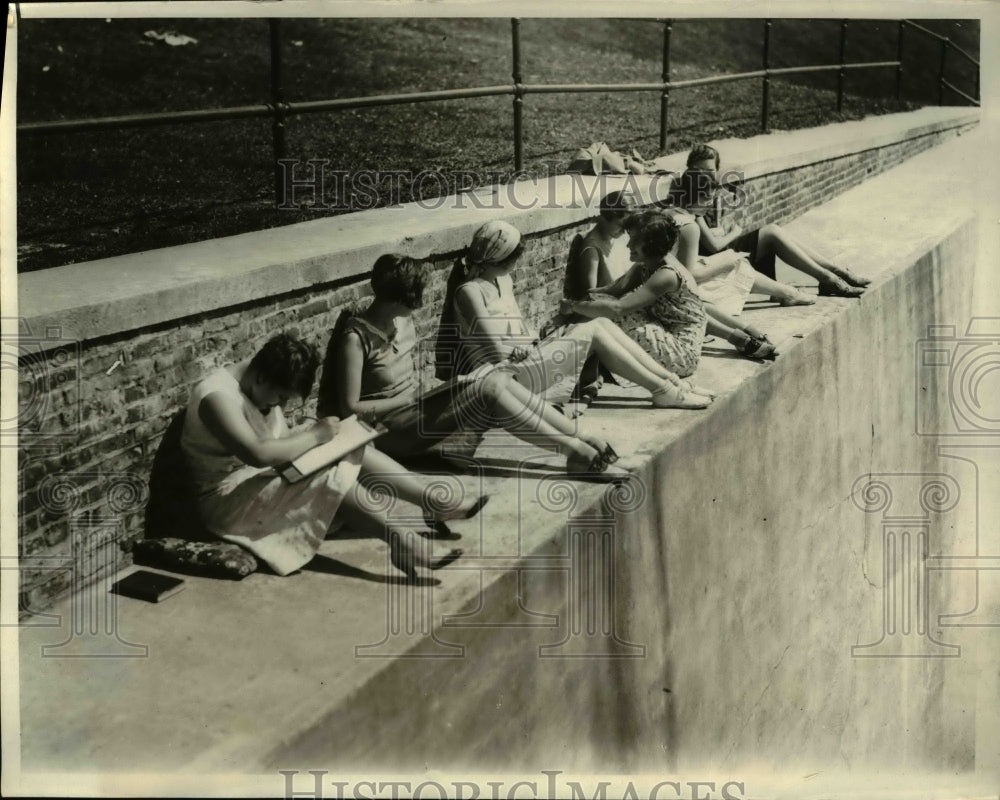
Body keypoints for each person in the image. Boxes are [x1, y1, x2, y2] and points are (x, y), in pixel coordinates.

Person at [180, 333, 477, 580]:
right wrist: (315, 436)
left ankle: (432, 501)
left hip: (264, 479)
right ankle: (402, 540)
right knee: (328, 475)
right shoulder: (216, 397)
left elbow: (276, 443)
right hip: (226, 501)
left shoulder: (258, 386)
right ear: (259, 378)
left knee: (352, 446)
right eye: (281, 397)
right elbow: (257, 453)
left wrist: (324, 434)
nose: (280, 404)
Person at [319, 254, 621, 475]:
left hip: (413, 411)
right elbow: (350, 410)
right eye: (416, 297)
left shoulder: (400, 320)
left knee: (498, 376)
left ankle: (579, 438)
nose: (421, 304)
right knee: (489, 389)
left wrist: (425, 395)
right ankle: (573, 452)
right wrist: (413, 397)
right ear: (400, 298)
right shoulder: (355, 340)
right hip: (386, 431)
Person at [442, 220, 714, 414]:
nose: (517, 262)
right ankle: (663, 391)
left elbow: (515, 331)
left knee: (601, 322)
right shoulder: (469, 292)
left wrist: (543, 335)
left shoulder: (504, 281)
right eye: (514, 256)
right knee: (593, 330)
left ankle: (671, 383)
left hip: (525, 359)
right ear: (500, 258)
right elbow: (494, 352)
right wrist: (528, 347)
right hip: (507, 375)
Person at [570, 192, 787, 360]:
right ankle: (744, 337)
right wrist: (587, 301)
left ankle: (747, 333)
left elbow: (622, 280)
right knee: (684, 306)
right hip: (624, 299)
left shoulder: (615, 238)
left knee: (689, 304)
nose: (624, 235)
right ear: (604, 218)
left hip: (632, 296)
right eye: (621, 226)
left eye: (628, 231)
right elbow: (592, 290)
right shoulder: (593, 247)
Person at [674, 143, 869, 298]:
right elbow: (714, 246)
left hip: (722, 250)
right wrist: (734, 232)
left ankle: (833, 272)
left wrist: (722, 231)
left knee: (773, 230)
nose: (704, 175)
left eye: (709, 171)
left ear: (716, 170)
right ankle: (829, 277)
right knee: (771, 233)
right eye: (698, 170)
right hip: (715, 260)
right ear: (689, 170)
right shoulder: (693, 198)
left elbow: (714, 232)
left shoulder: (710, 192)